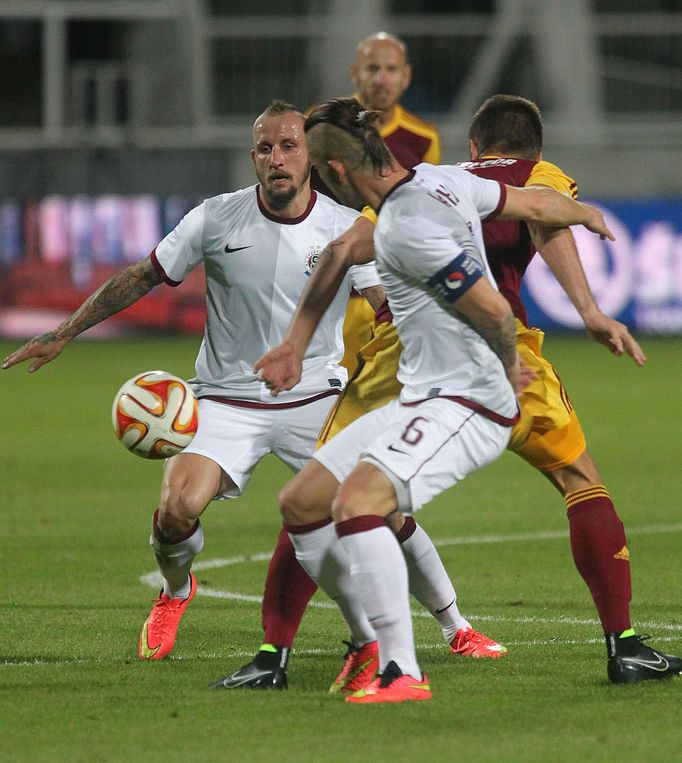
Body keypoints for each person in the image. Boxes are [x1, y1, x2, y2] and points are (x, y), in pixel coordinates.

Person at [251, 94, 682, 691]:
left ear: (474, 149)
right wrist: (588, 303)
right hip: (495, 359)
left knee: (320, 498)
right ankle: (623, 645)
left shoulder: (433, 182)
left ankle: (288, 654)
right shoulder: (483, 182)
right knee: (580, 480)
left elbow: (345, 250)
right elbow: (543, 211)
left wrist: (296, 342)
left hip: (411, 363)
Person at [1, 100, 384, 666]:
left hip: (316, 398)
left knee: (374, 510)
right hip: (227, 397)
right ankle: (176, 590)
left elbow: (384, 307)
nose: (276, 157)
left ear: (311, 157)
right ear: (252, 157)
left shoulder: (344, 228)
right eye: (264, 148)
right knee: (178, 507)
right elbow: (141, 276)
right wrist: (65, 331)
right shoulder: (215, 217)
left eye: (288, 146)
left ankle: (451, 624)